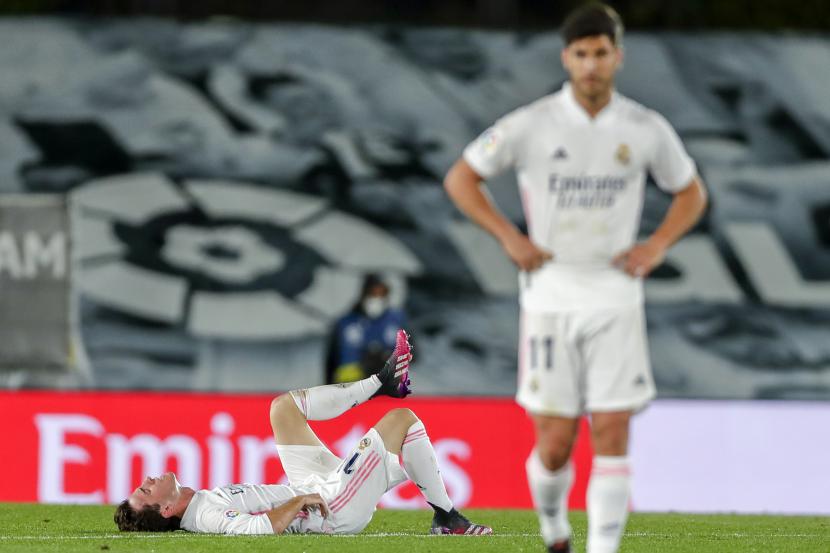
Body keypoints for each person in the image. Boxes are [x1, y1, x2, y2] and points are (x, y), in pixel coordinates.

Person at [443, 4, 707, 553]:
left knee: (612, 430)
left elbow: (691, 191)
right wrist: (509, 237)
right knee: (556, 443)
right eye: (582, 54)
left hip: (615, 295)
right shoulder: (531, 123)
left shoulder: (644, 127)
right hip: (550, 295)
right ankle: (554, 529)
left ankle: (602, 548)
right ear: (567, 58)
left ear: (618, 58)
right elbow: (462, 177)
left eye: (601, 53)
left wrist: (657, 245)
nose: (591, 64)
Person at [114, 330, 491, 536]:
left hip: (311, 484)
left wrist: (300, 493)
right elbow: (259, 530)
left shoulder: (198, 503)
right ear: (165, 509)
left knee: (283, 409)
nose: (147, 479)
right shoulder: (206, 516)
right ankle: (447, 516)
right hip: (330, 508)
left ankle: (382, 388)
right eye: (146, 489)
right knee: (400, 420)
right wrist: (298, 502)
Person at [325, 274, 407, 384]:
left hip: (388, 391)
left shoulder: (397, 321)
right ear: (364, 294)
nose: (377, 298)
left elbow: (413, 354)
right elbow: (331, 362)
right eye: (373, 293)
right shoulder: (346, 324)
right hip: (351, 391)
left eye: (381, 294)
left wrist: (387, 358)